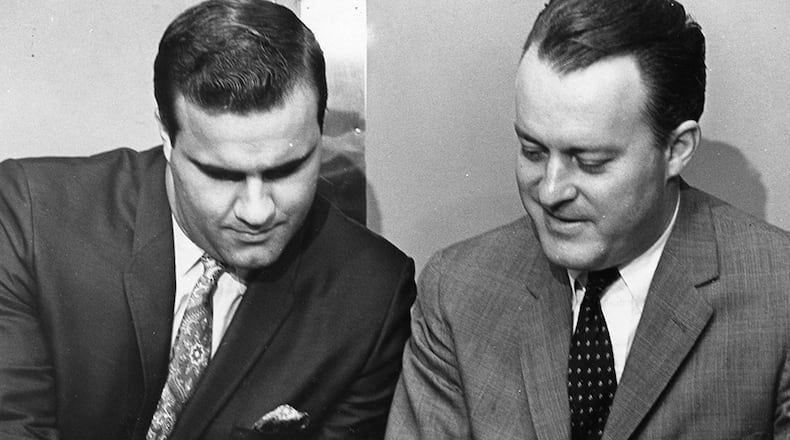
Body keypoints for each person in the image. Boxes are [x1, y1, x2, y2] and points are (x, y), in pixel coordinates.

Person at [0, 1, 416, 439]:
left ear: (320, 130)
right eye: (221, 174)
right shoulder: (29, 217)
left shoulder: (373, 294)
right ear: (166, 133)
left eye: (287, 168)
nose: (257, 211)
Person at [385, 0, 790, 438]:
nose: (550, 190)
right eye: (532, 150)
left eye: (591, 161)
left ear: (677, 150)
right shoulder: (458, 291)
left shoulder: (779, 294)